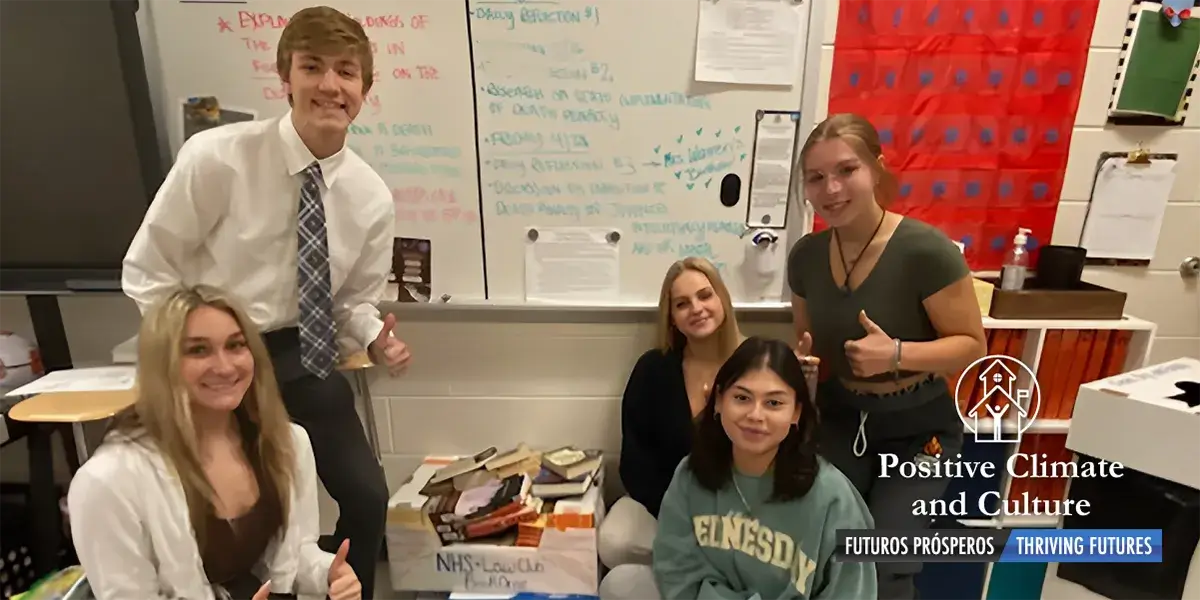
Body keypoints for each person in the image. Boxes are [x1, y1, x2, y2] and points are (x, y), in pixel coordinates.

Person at [120, 7, 410, 597]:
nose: (330, 85)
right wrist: (189, 350)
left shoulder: (370, 197)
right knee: (230, 500)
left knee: (366, 494)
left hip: (301, 352)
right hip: (213, 352)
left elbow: (351, 302)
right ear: (286, 76)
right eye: (312, 67)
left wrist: (377, 334)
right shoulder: (217, 159)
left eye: (347, 72)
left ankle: (341, 591)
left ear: (364, 89)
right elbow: (147, 268)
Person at [788, 113, 987, 600]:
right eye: (816, 178)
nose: (831, 188)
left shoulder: (926, 251)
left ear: (877, 168)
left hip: (920, 428)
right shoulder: (806, 257)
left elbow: (972, 346)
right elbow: (807, 342)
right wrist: (803, 367)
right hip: (842, 418)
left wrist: (896, 353)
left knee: (889, 560)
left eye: (846, 170)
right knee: (827, 547)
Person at [68, 286, 361, 600]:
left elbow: (291, 556)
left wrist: (328, 574)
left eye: (235, 345)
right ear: (162, 364)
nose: (224, 366)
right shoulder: (108, 481)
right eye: (198, 350)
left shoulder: (286, 443)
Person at [607, 336, 876, 600]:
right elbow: (675, 568)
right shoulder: (691, 473)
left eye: (774, 403)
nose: (755, 415)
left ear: (796, 413)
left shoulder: (834, 497)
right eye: (742, 398)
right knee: (619, 584)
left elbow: (853, 589)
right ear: (719, 400)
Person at [597, 258, 744, 587]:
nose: (696, 308)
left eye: (705, 295)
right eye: (682, 304)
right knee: (614, 542)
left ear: (722, 299)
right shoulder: (654, 369)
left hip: (735, 511)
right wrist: (676, 513)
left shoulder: (754, 366)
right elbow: (635, 461)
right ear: (672, 319)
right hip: (667, 503)